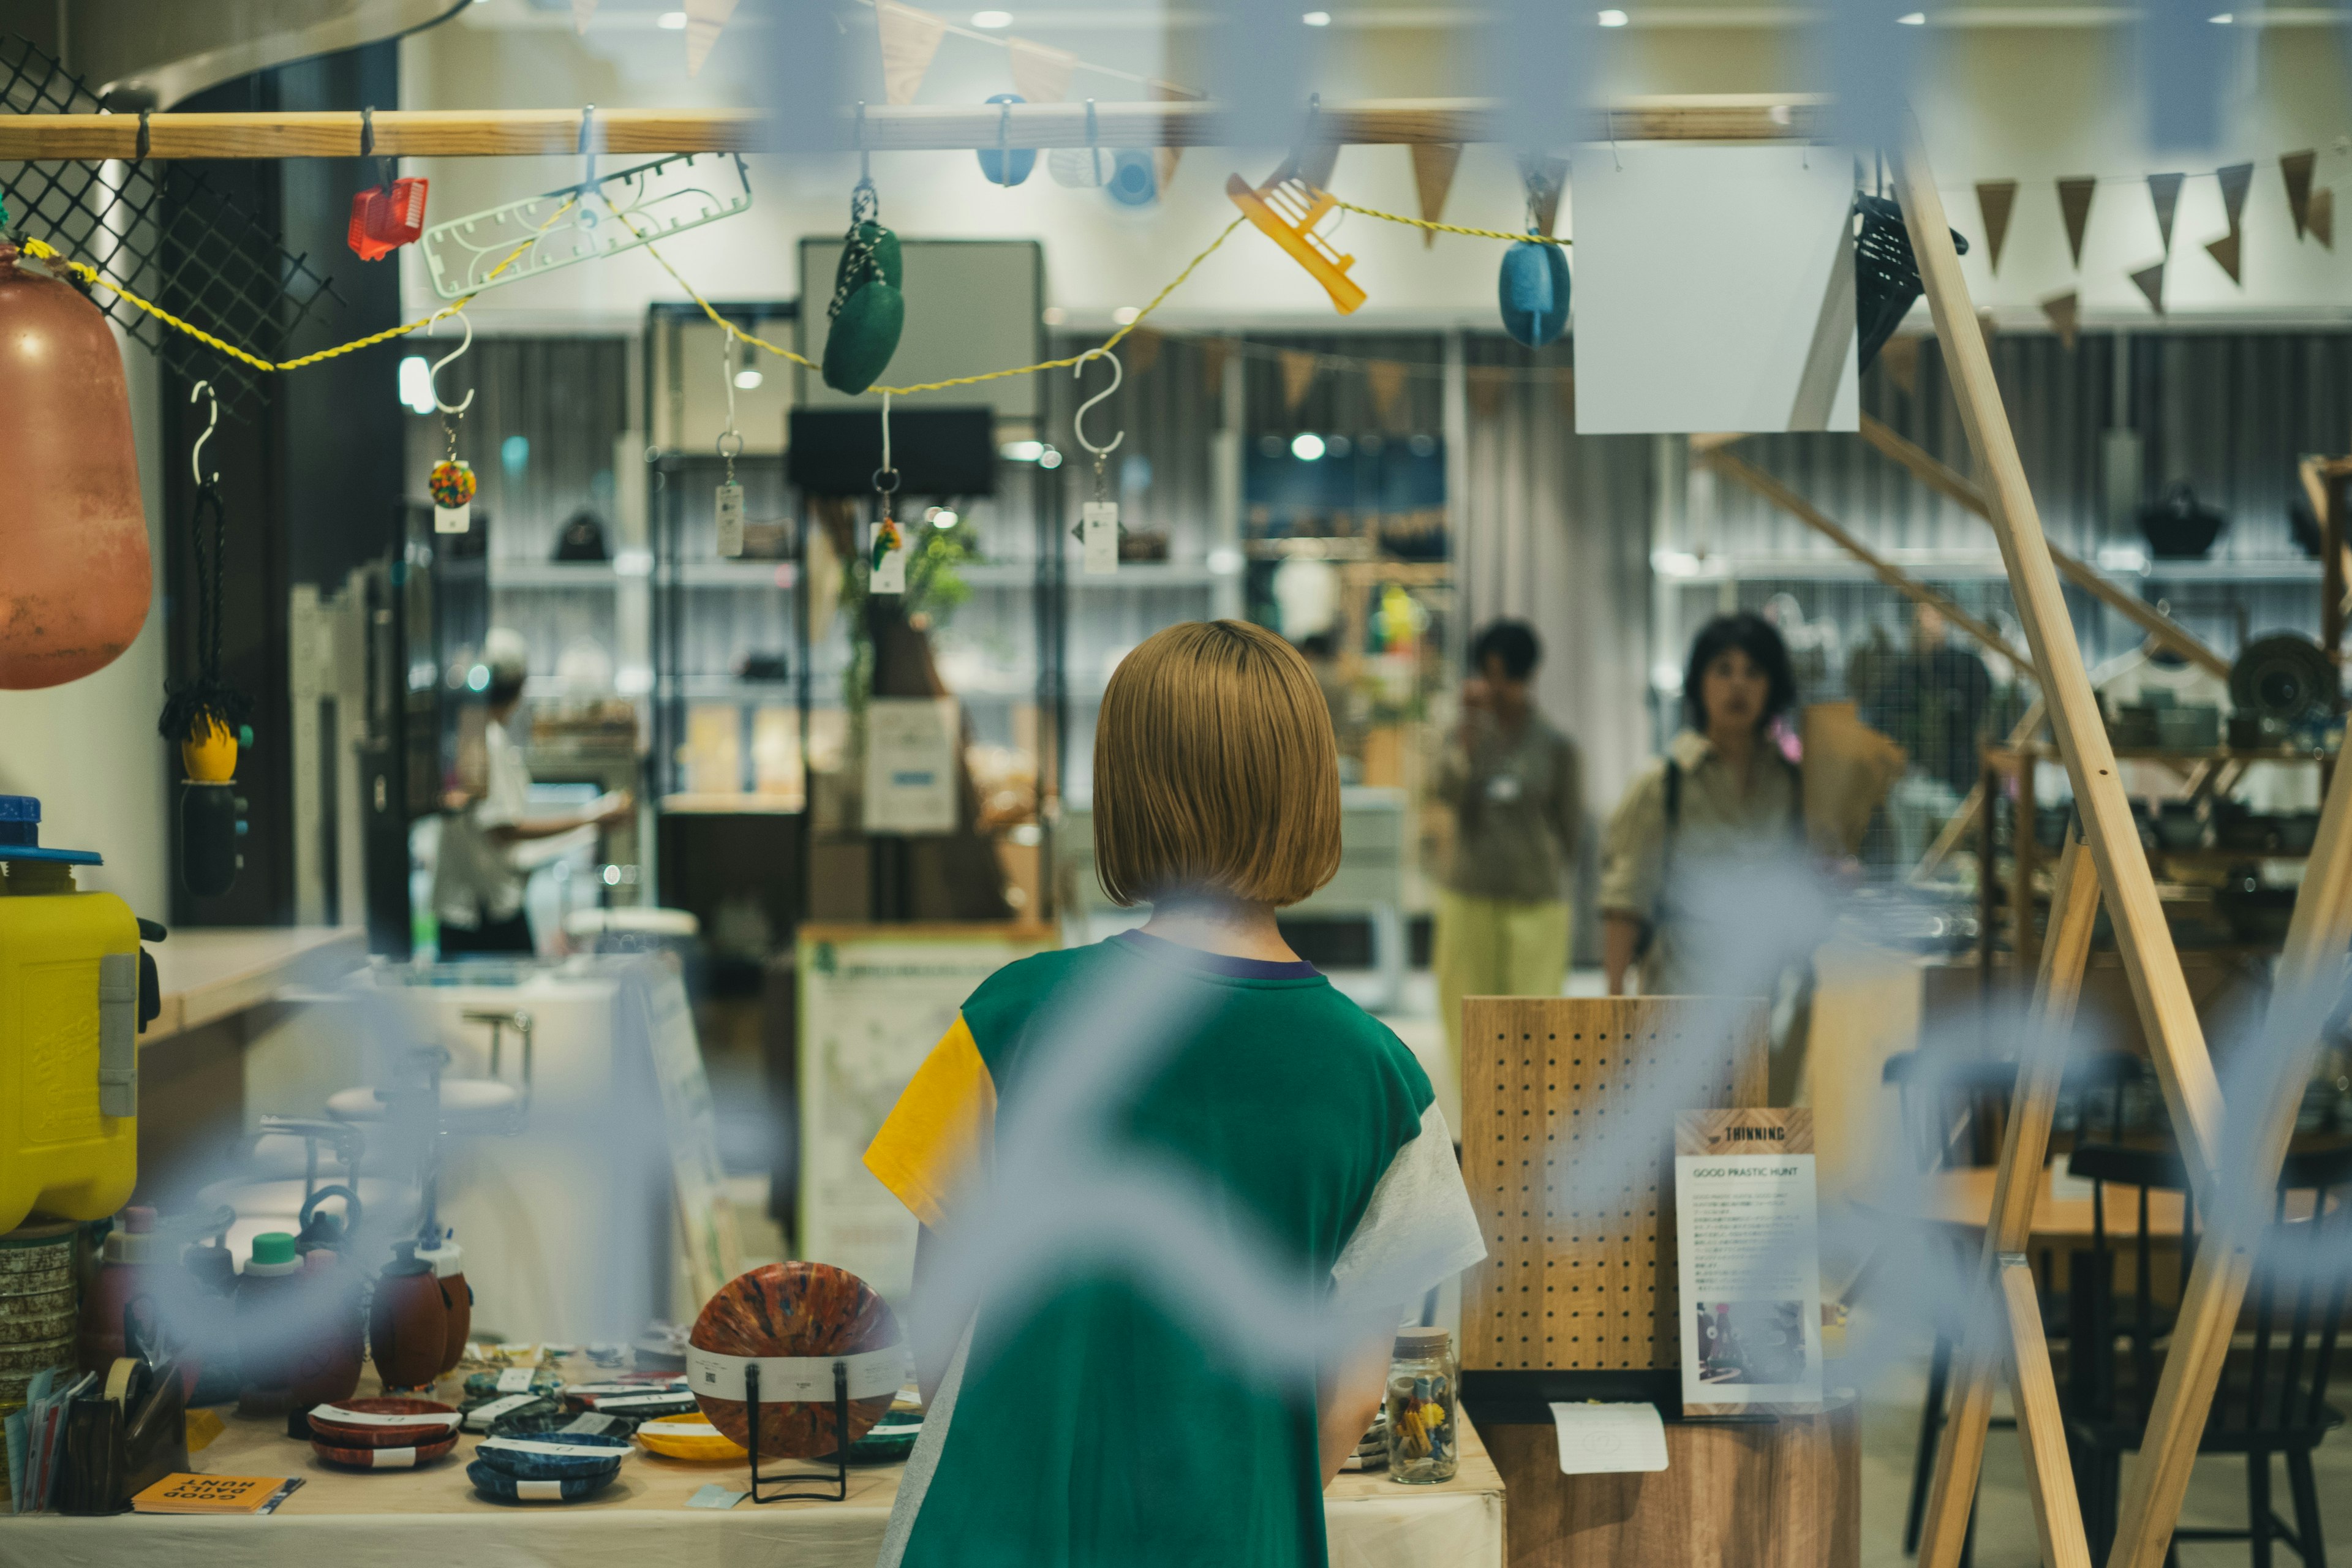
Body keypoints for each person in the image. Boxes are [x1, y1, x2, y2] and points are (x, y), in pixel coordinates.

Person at [864, 620, 1485, 1568]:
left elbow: (941, 1327)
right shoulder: (1383, 1079)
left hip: (990, 1529)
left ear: (1124, 794)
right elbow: (1356, 1394)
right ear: (1311, 797)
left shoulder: (1008, 1020)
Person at [1600, 611, 1803, 997]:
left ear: (1773, 686)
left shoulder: (1794, 786)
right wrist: (1613, 1002)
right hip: (1679, 1005)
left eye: (1754, 671)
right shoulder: (1663, 784)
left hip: (1772, 1007)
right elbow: (1626, 902)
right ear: (1699, 682)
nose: (1738, 684)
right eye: (1723, 670)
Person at [1431, 621, 1581, 1070]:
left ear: (1528, 677)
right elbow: (1444, 792)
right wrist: (1466, 742)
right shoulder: (1467, 737)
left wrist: (1550, 867)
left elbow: (1569, 824)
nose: (1498, 688)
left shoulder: (1555, 745)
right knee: (1466, 1013)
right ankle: (1477, 1119)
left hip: (1536, 897)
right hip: (1469, 891)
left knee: (1534, 1021)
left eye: (1509, 677)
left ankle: (1529, 1122)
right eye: (1490, 674)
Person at [431, 628, 631, 957]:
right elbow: (503, 829)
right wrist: (590, 818)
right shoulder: (488, 740)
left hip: (476, 906)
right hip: (482, 912)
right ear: (520, 687)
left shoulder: (474, 733)